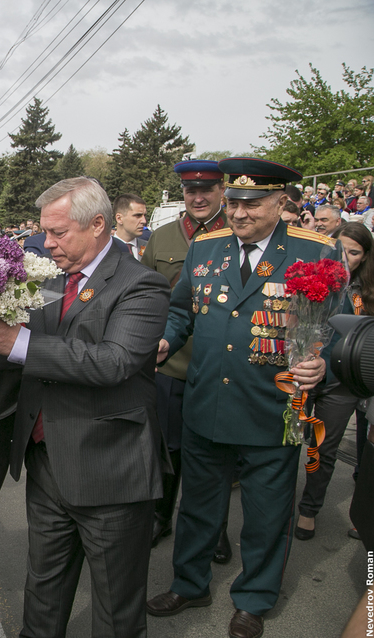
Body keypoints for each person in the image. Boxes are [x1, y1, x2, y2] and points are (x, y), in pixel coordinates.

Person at [0, 177, 171, 638]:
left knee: (114, 608)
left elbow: (114, 361)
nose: (48, 243)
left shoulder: (142, 285)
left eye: (59, 233)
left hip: (109, 470)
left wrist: (18, 342)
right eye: (45, 232)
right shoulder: (52, 276)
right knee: (43, 590)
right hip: (47, 464)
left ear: (98, 224)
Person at [147, 158, 329, 638]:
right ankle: (190, 584)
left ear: (281, 203)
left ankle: (253, 599)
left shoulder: (315, 252)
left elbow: (340, 326)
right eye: (234, 202)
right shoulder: (206, 248)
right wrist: (166, 338)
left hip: (273, 411)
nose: (240, 212)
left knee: (266, 515)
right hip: (206, 404)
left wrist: (324, 360)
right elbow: (181, 308)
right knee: (197, 509)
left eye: (252, 203)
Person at [140, 159, 233, 556]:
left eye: (207, 190)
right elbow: (143, 292)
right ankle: (161, 517)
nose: (198, 197)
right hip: (172, 365)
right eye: (190, 191)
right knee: (169, 449)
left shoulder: (238, 233)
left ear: (222, 191)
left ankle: (215, 529)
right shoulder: (161, 237)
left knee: (218, 453)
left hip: (219, 366)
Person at [294, 222, 374, 542]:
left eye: (353, 252)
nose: (345, 257)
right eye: (341, 248)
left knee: (345, 451)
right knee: (306, 441)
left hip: (354, 381)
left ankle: (331, 511)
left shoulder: (368, 290)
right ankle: (294, 504)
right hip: (318, 375)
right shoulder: (319, 280)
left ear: (366, 256)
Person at [112, 193, 148, 260]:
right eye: (138, 216)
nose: (144, 221)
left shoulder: (149, 249)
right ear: (119, 218)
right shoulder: (103, 250)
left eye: (144, 215)